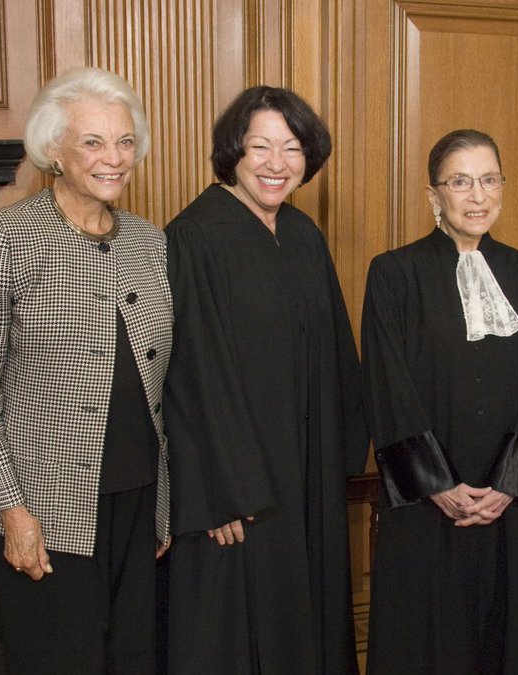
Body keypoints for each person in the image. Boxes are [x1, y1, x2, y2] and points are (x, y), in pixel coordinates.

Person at [0, 67, 173, 674]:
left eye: (125, 141)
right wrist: (11, 514)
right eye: (94, 142)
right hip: (47, 508)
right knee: (62, 661)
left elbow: (166, 387)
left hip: (140, 498)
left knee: (135, 659)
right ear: (54, 150)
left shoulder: (149, 244)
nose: (115, 158)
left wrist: (166, 506)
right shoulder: (3, 239)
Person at [161, 85, 367, 674]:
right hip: (236, 495)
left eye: (292, 148)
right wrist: (213, 493)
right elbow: (183, 377)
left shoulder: (303, 235)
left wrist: (341, 456)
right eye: (261, 147)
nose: (277, 164)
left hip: (305, 475)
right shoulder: (194, 237)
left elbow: (334, 351)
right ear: (233, 151)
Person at [362, 129, 518, 674]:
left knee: (502, 636)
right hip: (425, 504)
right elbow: (386, 384)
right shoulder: (393, 274)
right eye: (461, 182)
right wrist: (436, 483)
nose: (478, 196)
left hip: (506, 503)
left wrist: (511, 484)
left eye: (489, 180)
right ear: (434, 196)